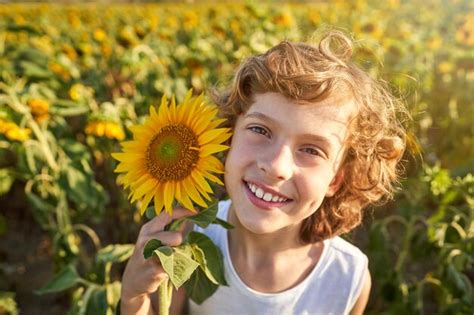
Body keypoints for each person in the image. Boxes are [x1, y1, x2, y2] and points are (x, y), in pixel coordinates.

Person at [120, 29, 407, 315]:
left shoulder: (346, 280)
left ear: (337, 179)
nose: (276, 166)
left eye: (311, 150)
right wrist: (134, 297)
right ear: (229, 137)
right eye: (260, 130)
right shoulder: (191, 235)